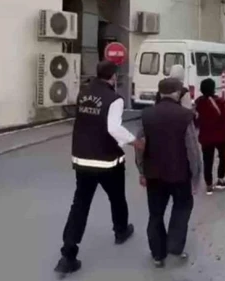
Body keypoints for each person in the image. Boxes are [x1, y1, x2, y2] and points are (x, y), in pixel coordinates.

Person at [55, 61, 142, 276]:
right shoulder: (114, 99)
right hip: (107, 160)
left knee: (80, 205)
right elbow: (113, 128)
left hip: (83, 158)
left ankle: (68, 255)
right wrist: (135, 142)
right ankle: (121, 231)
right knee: (117, 197)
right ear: (113, 76)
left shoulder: (83, 93)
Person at [135, 78, 201, 268]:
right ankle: (175, 245)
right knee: (182, 207)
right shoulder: (185, 116)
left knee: (155, 214)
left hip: (153, 174)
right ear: (177, 93)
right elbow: (192, 150)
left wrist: (142, 170)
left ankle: (158, 254)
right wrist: (196, 176)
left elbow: (140, 146)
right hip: (179, 174)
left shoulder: (147, 114)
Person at [194, 78, 225, 195]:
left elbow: (196, 121)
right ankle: (220, 180)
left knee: (207, 160)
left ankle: (208, 185)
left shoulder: (198, 103)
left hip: (205, 137)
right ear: (213, 88)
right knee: (222, 157)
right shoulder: (221, 102)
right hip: (221, 137)